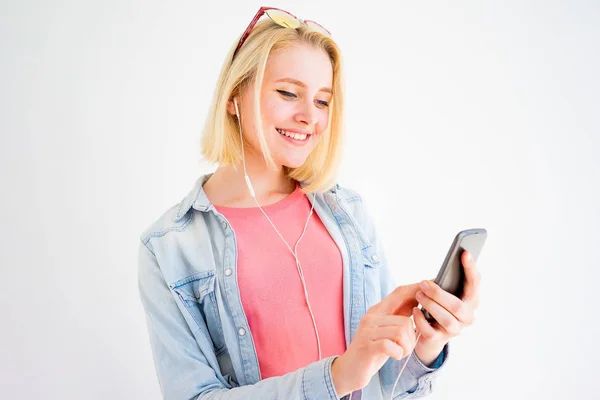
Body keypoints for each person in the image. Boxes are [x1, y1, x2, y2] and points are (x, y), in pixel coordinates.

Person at [137, 6, 481, 400]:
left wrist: (426, 346)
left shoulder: (349, 213)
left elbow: (389, 384)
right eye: (288, 93)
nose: (309, 117)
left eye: (322, 101)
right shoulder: (169, 248)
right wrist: (336, 376)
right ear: (234, 96)